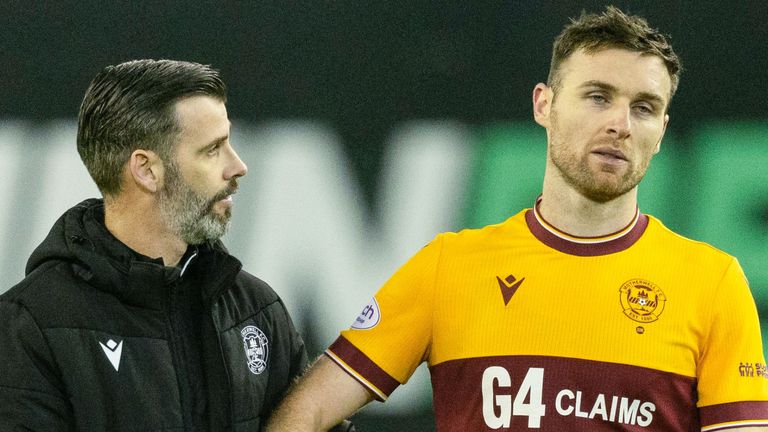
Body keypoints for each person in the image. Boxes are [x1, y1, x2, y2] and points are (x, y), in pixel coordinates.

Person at [265, 6, 768, 432]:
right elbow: (306, 412)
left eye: (644, 107)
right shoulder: (450, 267)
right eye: (597, 97)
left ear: (661, 130)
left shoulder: (712, 283)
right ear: (543, 105)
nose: (619, 123)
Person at [0, 59, 352, 432]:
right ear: (146, 170)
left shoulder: (255, 309)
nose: (238, 166)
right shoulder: (31, 325)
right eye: (213, 149)